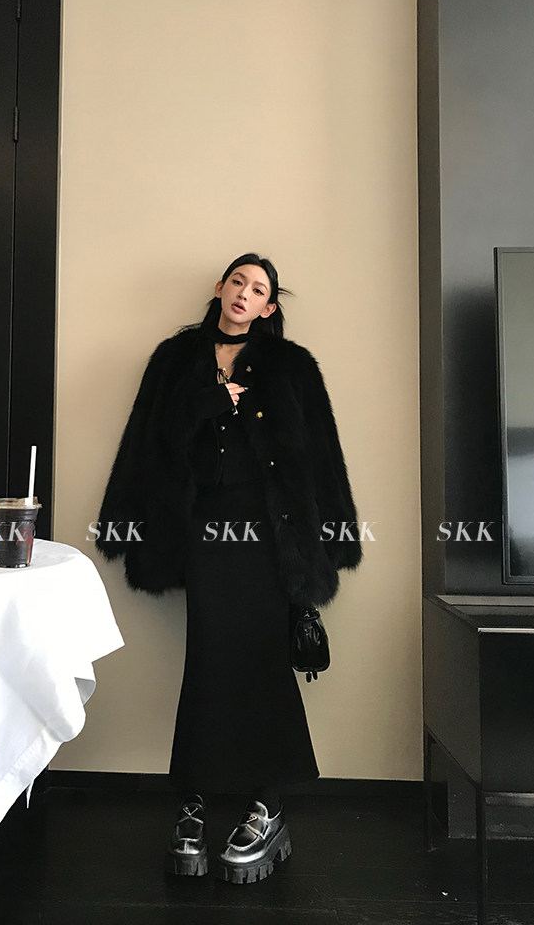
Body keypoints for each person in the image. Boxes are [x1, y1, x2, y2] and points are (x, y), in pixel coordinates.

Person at [96, 252, 362, 884]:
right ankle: (192, 800)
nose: (245, 293)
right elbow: (148, 439)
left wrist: (335, 535)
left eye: (258, 288)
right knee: (210, 654)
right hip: (204, 527)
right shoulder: (174, 359)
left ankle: (267, 805)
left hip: (270, 532)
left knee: (262, 655)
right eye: (237, 281)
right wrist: (210, 402)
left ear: (268, 307)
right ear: (220, 288)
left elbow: (320, 451)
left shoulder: (292, 366)